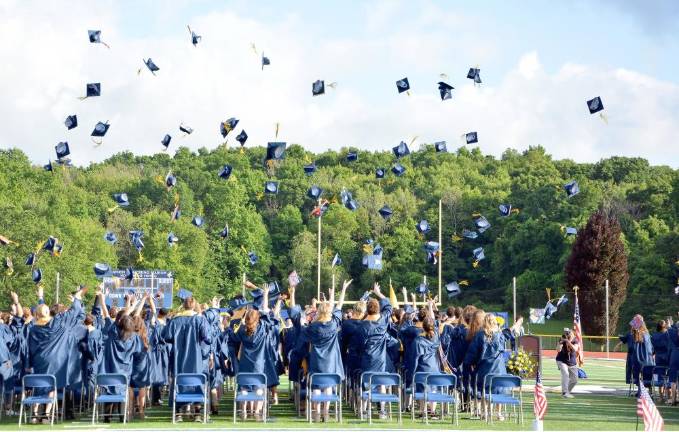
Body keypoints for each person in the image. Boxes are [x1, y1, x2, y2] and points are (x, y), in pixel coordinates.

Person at [301, 279, 350, 422]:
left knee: (316, 384)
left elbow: (304, 325)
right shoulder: (334, 325)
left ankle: (316, 412)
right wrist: (342, 290)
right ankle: (325, 412)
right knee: (328, 385)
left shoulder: (313, 327)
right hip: (331, 361)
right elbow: (339, 307)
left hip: (317, 359)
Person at [231, 286, 279, 421]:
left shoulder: (241, 330)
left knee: (244, 387)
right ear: (258, 319)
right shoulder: (262, 328)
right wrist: (266, 296)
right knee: (259, 388)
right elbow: (266, 312)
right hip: (259, 364)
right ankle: (257, 413)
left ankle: (244, 413)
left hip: (245, 363)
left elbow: (232, 337)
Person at [162, 295, 212, 422]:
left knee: (179, 382)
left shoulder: (175, 320)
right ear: (194, 305)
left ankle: (178, 414)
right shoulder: (199, 320)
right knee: (197, 383)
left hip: (179, 357)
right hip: (196, 358)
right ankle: (197, 414)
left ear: (183, 305)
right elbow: (207, 337)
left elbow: (166, 336)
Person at [555, 328, 579, 398]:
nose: (569, 335)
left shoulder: (575, 340)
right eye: (568, 334)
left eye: (570, 334)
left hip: (572, 363)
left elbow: (575, 349)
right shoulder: (562, 339)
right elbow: (558, 350)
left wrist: (568, 342)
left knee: (575, 380)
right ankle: (565, 392)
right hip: (561, 360)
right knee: (565, 374)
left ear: (573, 335)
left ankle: (567, 392)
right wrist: (561, 343)